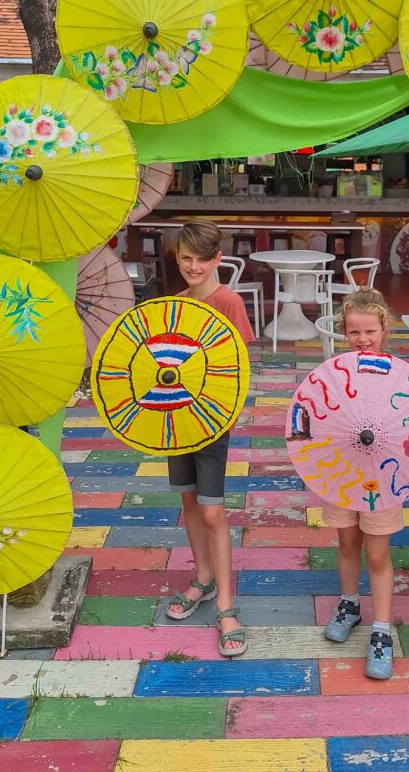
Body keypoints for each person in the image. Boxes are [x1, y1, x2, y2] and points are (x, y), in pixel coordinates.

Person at [164, 219, 255, 658]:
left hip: (212, 421)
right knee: (188, 501)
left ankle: (225, 603)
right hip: (174, 419)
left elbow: (239, 367)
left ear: (218, 260)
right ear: (176, 257)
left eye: (202, 259)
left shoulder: (228, 301)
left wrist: (220, 412)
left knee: (213, 511)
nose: (193, 266)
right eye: (186, 258)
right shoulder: (174, 304)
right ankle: (202, 578)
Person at [321, 288, 401, 680]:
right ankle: (349, 603)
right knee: (348, 542)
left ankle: (382, 630)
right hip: (341, 472)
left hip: (383, 478)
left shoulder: (399, 377)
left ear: (384, 329)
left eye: (370, 331)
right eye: (354, 332)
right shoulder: (335, 372)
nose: (362, 339)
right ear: (344, 333)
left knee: (378, 554)